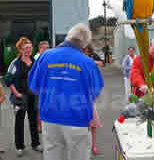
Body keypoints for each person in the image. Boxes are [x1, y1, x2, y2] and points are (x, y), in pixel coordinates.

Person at [28, 23, 104, 160]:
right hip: (77, 119)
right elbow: (95, 92)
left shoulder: (45, 57)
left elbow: (34, 86)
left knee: (53, 155)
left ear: (68, 36)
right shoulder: (88, 63)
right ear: (85, 44)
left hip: (50, 118)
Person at [5, 37, 42, 157]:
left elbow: (39, 77)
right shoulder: (15, 63)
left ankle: (35, 143)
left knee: (33, 120)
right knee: (19, 122)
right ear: (20, 50)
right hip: (20, 96)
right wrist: (16, 94)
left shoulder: (35, 61)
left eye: (30, 48)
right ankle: (19, 146)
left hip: (33, 96)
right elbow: (8, 80)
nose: (28, 50)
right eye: (26, 48)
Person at [130, 39, 154, 116]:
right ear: (150, 46)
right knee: (142, 125)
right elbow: (135, 74)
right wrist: (142, 85)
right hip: (143, 100)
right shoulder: (139, 59)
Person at [83, 44, 103, 155]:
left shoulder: (92, 57)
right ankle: (85, 145)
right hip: (79, 95)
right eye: (84, 50)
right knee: (83, 124)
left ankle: (93, 145)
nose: (85, 52)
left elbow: (101, 63)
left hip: (90, 94)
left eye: (87, 50)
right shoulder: (77, 58)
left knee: (93, 122)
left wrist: (92, 62)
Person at [34, 41, 50, 133]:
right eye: (44, 48)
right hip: (40, 87)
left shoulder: (47, 57)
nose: (46, 50)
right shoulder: (37, 58)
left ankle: (45, 125)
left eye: (48, 48)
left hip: (47, 86)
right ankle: (39, 126)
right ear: (40, 49)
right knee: (39, 107)